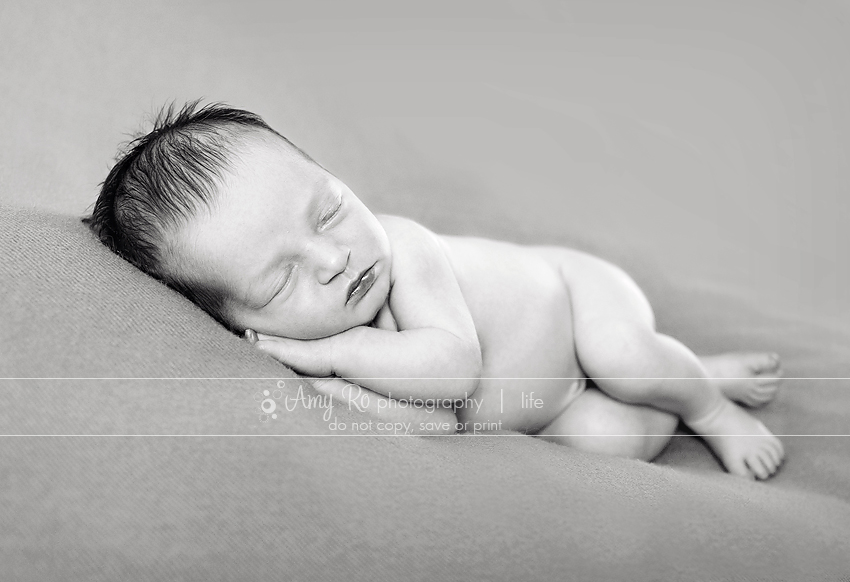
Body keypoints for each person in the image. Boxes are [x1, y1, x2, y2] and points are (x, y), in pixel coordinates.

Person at [86, 101, 785, 480]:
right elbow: (439, 423)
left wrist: (342, 354)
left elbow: (452, 369)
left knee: (625, 357)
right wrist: (338, 392)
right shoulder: (306, 354)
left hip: (574, 301)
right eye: (282, 277)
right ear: (237, 324)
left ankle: (706, 400)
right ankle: (675, 386)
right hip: (546, 407)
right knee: (610, 443)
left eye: (329, 208)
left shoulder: (403, 251)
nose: (333, 256)